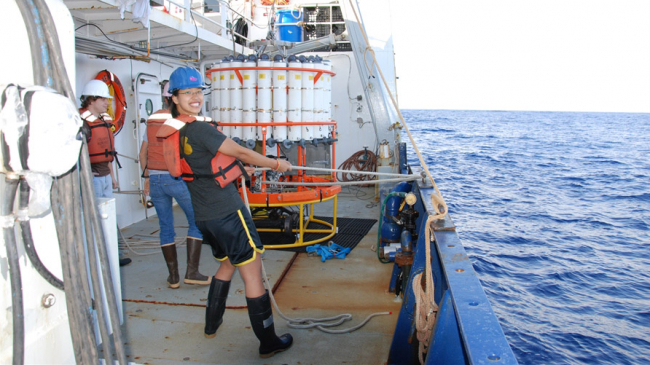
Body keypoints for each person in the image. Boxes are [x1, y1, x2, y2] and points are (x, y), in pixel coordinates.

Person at [158, 66, 293, 358]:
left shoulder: (178, 131)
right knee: (253, 274)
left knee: (226, 266)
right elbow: (240, 152)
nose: (195, 97)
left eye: (198, 92)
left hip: (205, 217)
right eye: (188, 93)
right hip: (229, 214)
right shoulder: (200, 129)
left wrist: (246, 169)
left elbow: (208, 167)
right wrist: (274, 164)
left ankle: (211, 324)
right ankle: (269, 342)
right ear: (175, 98)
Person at [138, 81, 211, 288]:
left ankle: (173, 278)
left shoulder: (152, 120)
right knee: (196, 222)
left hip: (154, 179)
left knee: (165, 228)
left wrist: (146, 179)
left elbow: (142, 153)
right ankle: (192, 272)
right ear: (175, 98)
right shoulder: (181, 120)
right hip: (176, 178)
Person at [79, 79, 131, 267]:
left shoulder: (104, 121)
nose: (107, 103)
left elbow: (108, 153)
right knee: (94, 218)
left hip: (105, 177)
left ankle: (113, 255)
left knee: (109, 216)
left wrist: (112, 176)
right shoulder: (81, 124)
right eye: (104, 100)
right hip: (91, 179)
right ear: (91, 100)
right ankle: (96, 257)